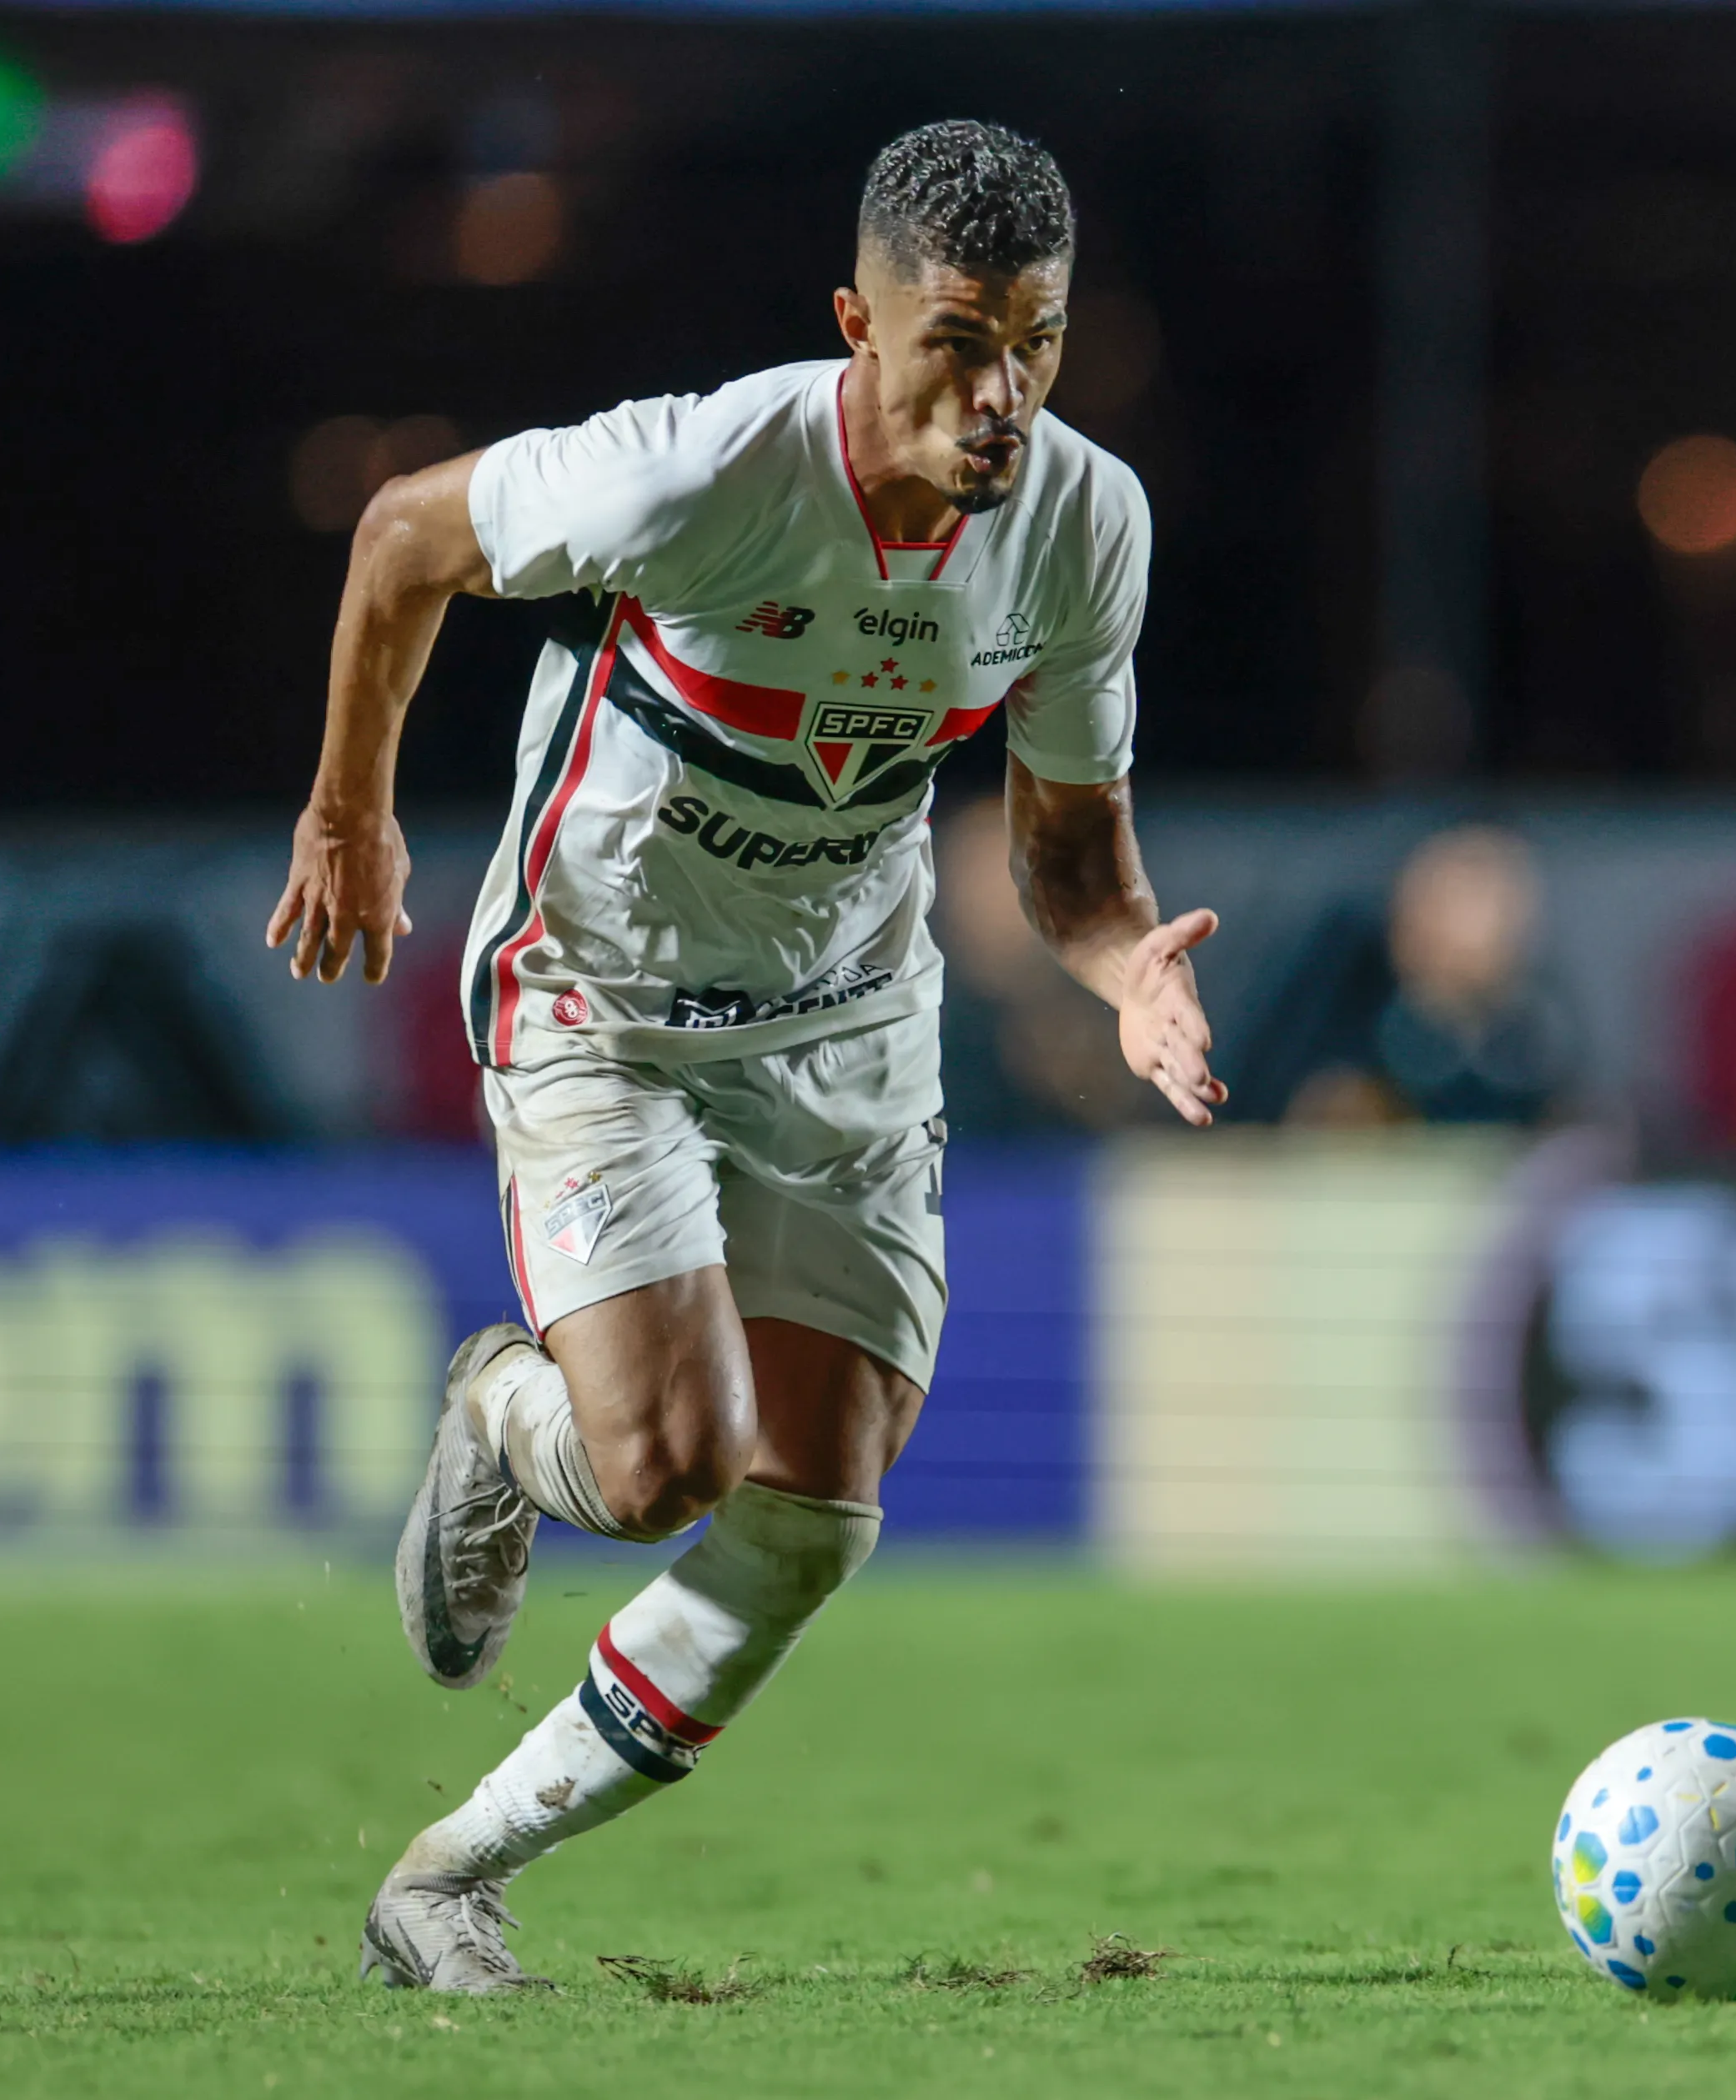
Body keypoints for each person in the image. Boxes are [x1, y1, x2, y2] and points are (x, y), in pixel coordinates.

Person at [264, 123, 1224, 1994]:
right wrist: (349, 814)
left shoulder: (1084, 520)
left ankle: (449, 1875)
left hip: (846, 1019)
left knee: (814, 1509)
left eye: (1036, 342)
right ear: (858, 325)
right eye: (959, 343)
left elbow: (1068, 851)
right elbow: (400, 537)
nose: (1002, 392)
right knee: (662, 1463)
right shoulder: (699, 467)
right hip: (606, 999)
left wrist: (1128, 969)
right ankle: (504, 1412)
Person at [1241, 824, 1578, 1127]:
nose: (1492, 917)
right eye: (1462, 892)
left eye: (1505, 896)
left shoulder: (1534, 1030)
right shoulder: (1338, 1001)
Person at [931, 794, 1164, 1133]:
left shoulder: (1130, 1007)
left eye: (1014, 878)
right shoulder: (921, 1031)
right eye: (974, 878)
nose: (993, 906)